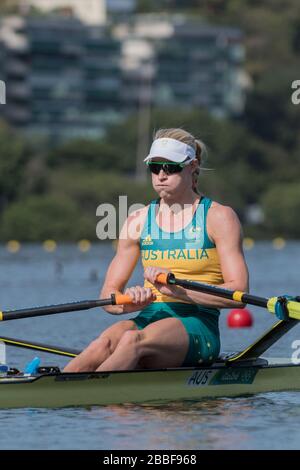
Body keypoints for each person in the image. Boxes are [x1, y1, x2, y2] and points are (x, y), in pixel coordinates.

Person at [64, 128, 249, 372]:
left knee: (132, 341)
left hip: (197, 323)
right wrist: (130, 303)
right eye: (154, 167)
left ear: (192, 167)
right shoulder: (137, 221)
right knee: (103, 344)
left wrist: (177, 290)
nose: (161, 174)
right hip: (149, 316)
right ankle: (49, 399)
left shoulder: (219, 217)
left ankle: (96, 402)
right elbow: (108, 298)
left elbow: (239, 293)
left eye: (170, 167)